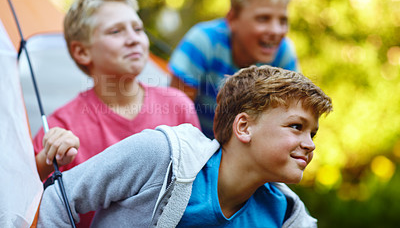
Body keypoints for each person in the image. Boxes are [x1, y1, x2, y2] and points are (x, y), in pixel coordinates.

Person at [37, 65, 332, 227]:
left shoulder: (284, 214)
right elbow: (60, 198)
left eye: (313, 134)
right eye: (297, 127)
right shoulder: (161, 155)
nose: (309, 144)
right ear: (244, 127)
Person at [33, 0, 200, 227]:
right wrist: (48, 158)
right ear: (82, 52)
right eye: (116, 31)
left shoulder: (178, 105)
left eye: (138, 29)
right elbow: (28, 198)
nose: (133, 39)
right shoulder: (61, 125)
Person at [169, 0, 299, 139]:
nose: (276, 31)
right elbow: (175, 115)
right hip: (193, 145)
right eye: (263, 18)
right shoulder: (203, 41)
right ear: (232, 19)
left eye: (282, 20)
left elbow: (291, 121)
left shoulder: (283, 54)